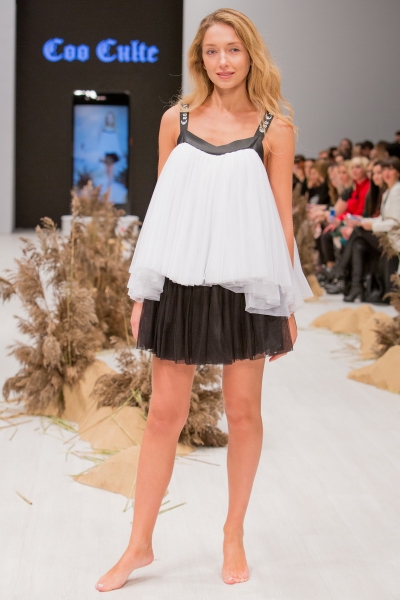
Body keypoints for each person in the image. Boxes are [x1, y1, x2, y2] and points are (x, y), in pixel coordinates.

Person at [95, 8, 311, 592]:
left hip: (246, 286)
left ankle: (233, 533)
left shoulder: (276, 129)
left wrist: (286, 302)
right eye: (212, 51)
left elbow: (282, 222)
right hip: (181, 283)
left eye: (233, 49)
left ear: (251, 55)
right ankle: (139, 544)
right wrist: (143, 291)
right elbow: (162, 211)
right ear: (200, 58)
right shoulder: (177, 120)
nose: (223, 61)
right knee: (164, 415)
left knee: (243, 414)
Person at [341, 156, 400, 302]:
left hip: (394, 239)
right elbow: (383, 219)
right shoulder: (388, 192)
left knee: (358, 232)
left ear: (398, 172)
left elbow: (395, 222)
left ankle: (340, 271)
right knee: (358, 244)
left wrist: (370, 225)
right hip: (388, 236)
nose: (386, 173)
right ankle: (356, 287)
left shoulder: (397, 191)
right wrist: (362, 221)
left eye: (391, 169)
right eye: (384, 169)